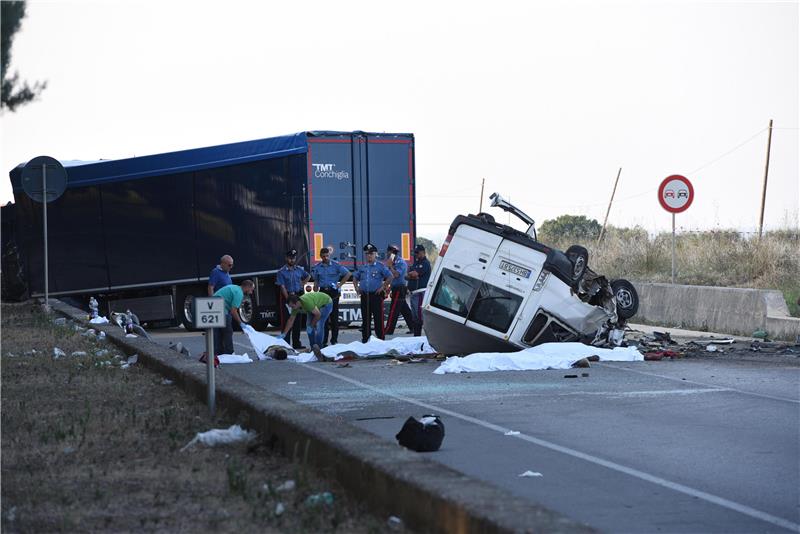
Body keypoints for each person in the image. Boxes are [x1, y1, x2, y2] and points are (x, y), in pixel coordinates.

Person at [352, 243, 392, 343]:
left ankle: (381, 339)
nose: (369, 256)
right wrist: (356, 288)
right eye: (367, 254)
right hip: (365, 296)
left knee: (378, 319)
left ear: (375, 254)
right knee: (366, 319)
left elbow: (390, 276)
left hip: (376, 296)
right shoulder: (362, 267)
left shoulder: (380, 266)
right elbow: (355, 277)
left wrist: (383, 287)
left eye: (371, 253)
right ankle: (366, 340)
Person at [311, 247, 352, 346]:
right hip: (322, 293)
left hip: (333, 292)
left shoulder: (335, 265)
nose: (325, 258)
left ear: (329, 255)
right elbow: (316, 280)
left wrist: (339, 284)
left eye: (327, 256)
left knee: (334, 317)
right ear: (320, 256)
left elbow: (348, 274)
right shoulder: (317, 267)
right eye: (323, 256)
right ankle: (324, 341)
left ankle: (334, 340)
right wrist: (315, 288)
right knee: (323, 318)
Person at [276, 249, 310, 349]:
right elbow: (282, 287)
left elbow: (308, 276)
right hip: (288, 296)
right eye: (290, 258)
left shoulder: (299, 269)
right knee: (287, 320)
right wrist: (288, 301)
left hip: (298, 296)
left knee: (297, 321)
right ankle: (286, 343)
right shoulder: (281, 272)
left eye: (294, 258)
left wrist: (303, 283)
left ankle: (296, 343)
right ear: (286, 258)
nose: (292, 260)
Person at [212, 279, 255, 356]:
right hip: (220, 309)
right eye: (251, 290)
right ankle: (229, 352)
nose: (251, 292)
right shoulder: (239, 293)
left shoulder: (235, 287)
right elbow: (233, 311)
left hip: (213, 306)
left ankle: (217, 352)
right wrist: (240, 323)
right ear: (247, 287)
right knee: (228, 331)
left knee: (218, 332)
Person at [384, 244, 417, 336]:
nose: (389, 254)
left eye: (391, 252)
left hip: (400, 288)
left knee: (394, 309)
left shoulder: (400, 262)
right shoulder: (393, 262)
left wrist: (390, 267)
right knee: (404, 310)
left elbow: (396, 275)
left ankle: (389, 330)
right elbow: (391, 277)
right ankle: (413, 327)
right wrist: (389, 287)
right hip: (395, 287)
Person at [406, 244, 431, 336]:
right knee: (415, 316)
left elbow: (414, 274)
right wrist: (411, 275)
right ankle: (416, 336)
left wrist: (412, 275)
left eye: (418, 252)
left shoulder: (425, 263)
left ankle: (423, 336)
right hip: (413, 293)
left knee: (420, 316)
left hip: (420, 292)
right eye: (415, 253)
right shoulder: (415, 263)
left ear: (423, 253)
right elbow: (407, 275)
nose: (416, 254)